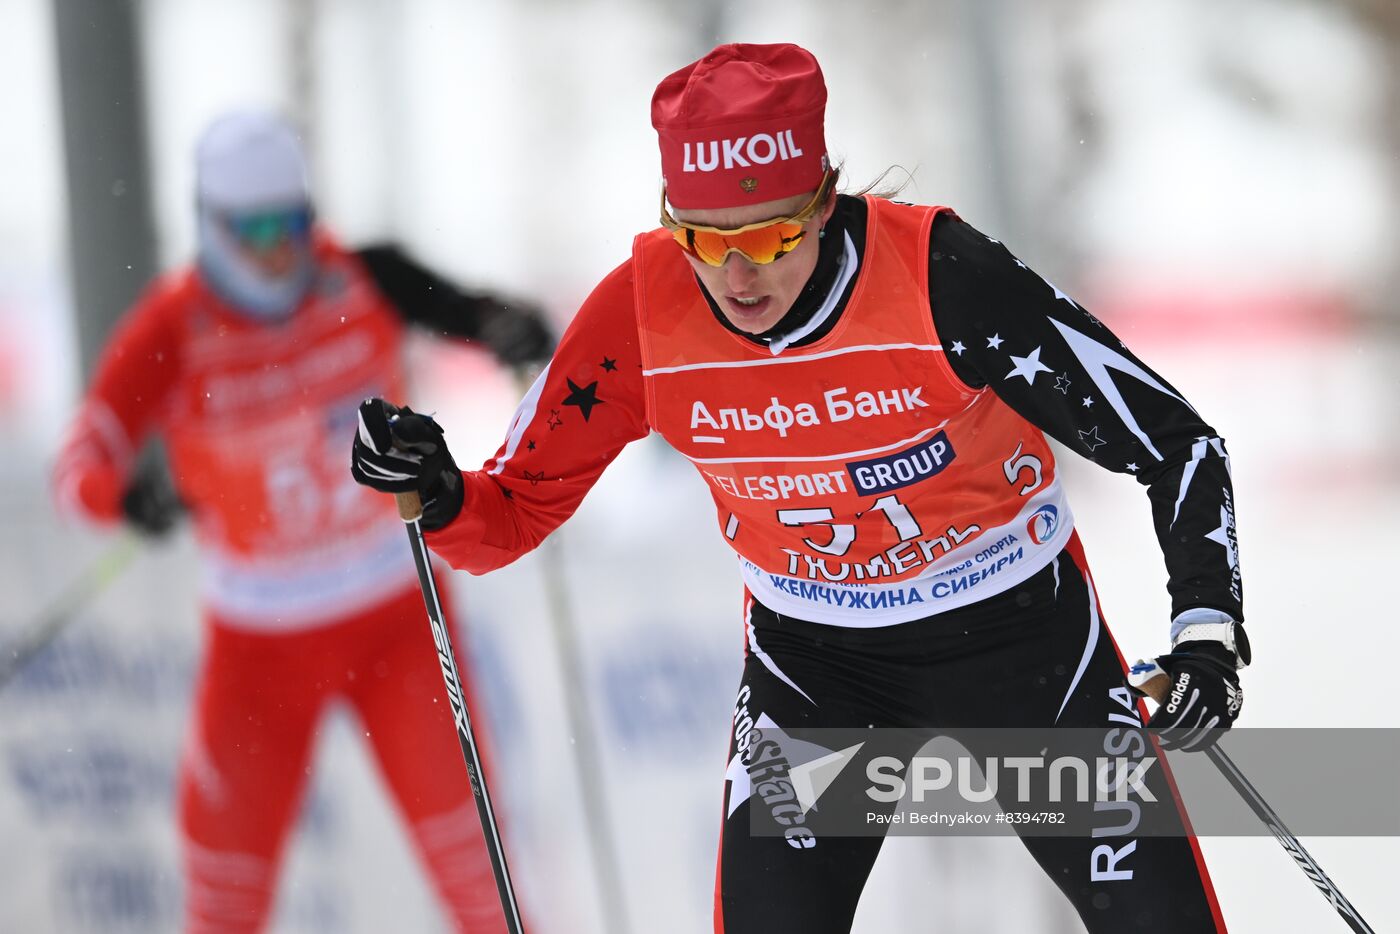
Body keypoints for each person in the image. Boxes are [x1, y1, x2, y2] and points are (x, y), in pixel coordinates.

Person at [350, 43, 1249, 933]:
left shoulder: (942, 279)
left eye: (771, 237)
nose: (738, 277)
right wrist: (433, 488)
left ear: (824, 203)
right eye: (701, 240)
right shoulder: (639, 315)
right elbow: (504, 516)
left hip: (1018, 641)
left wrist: (1206, 629)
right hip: (819, 668)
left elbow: (1175, 443)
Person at [53, 110, 550, 933]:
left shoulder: (365, 273)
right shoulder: (173, 325)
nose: (279, 247)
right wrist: (128, 497)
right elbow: (75, 467)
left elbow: (479, 316)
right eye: (252, 229)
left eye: (292, 220)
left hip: (398, 624)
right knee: (224, 899)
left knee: (482, 877)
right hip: (260, 647)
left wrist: (515, 330)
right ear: (209, 224)